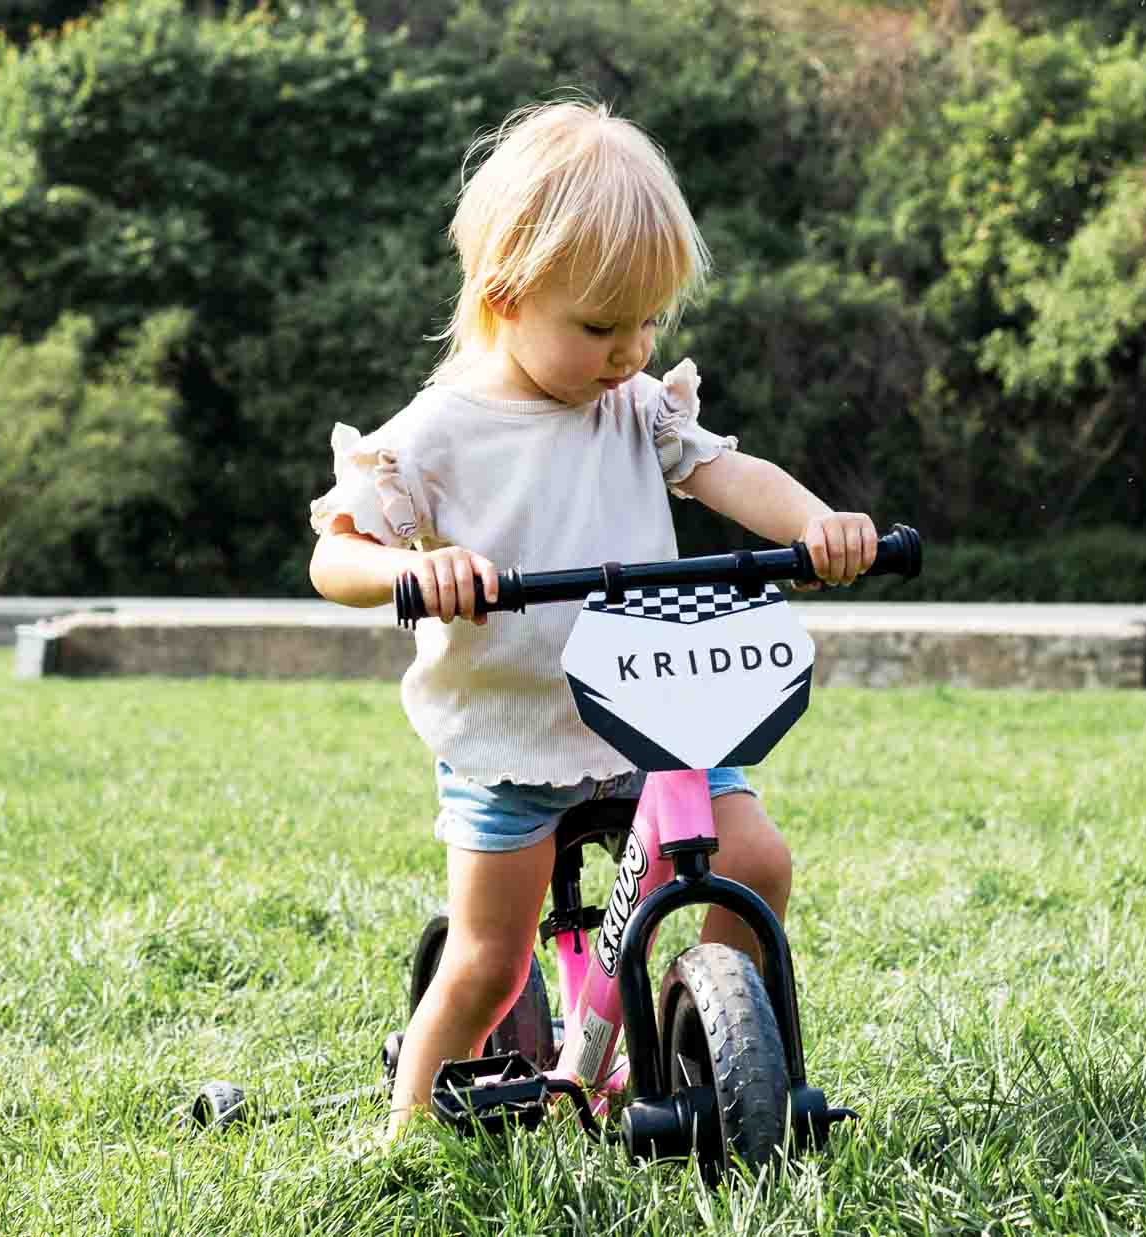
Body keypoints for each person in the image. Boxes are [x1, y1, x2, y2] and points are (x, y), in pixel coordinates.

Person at [305, 97, 877, 1143]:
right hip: (512, 735)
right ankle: (402, 1134)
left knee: (757, 862)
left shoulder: (633, 404)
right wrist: (409, 569)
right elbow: (332, 554)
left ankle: (716, 1048)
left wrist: (818, 524)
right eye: (600, 327)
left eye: (647, 322)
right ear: (507, 295)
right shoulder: (440, 430)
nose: (629, 352)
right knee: (486, 957)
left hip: (653, 711)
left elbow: (723, 470)